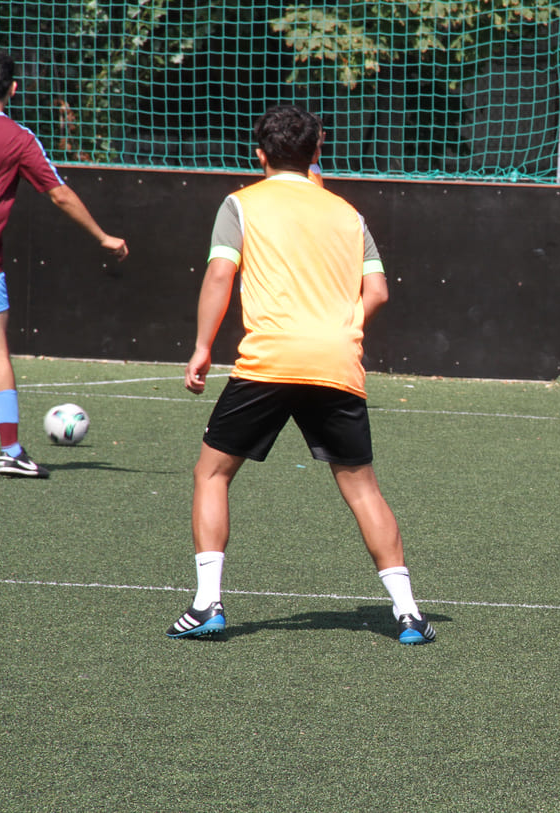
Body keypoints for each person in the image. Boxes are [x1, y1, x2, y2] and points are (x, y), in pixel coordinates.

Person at [168, 105, 435, 645]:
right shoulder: (347, 214)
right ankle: (408, 613)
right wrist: (338, 329)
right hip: (335, 362)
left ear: (259, 152)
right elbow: (377, 291)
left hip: (268, 361)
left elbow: (222, 272)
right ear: (320, 148)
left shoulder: (240, 204)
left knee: (212, 474)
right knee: (362, 489)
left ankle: (206, 604)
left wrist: (201, 347)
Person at [0, 47, 128, 478]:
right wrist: (102, 236)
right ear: (13, 89)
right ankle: (11, 451)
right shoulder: (18, 139)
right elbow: (59, 194)